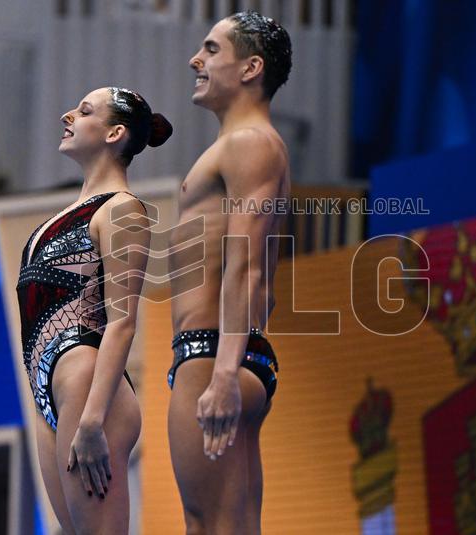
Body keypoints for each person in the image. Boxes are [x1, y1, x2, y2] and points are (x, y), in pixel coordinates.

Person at [16, 86, 171, 534]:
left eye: (84, 111)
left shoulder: (122, 210)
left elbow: (123, 323)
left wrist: (92, 420)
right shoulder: (63, 214)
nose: (67, 114)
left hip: (88, 390)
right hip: (51, 390)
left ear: (114, 133)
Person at [167, 11, 292, 534]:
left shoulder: (250, 144)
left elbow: (248, 268)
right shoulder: (244, 144)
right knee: (225, 524)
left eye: (213, 50)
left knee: (211, 524)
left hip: (214, 351)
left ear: (250, 68)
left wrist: (221, 373)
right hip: (223, 349)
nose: (197, 60)